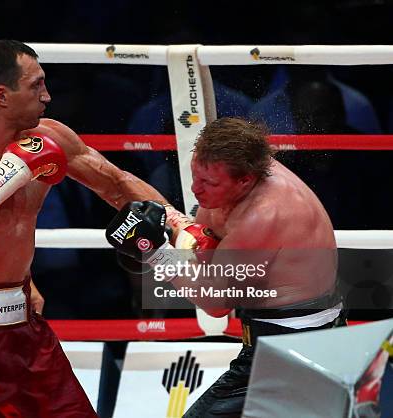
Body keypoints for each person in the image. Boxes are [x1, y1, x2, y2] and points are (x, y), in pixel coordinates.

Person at [0, 39, 172, 417]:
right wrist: (9, 173)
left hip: (25, 332)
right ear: (2, 96)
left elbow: (116, 183)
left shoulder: (48, 137)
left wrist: (180, 224)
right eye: (36, 85)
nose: (47, 96)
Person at [106, 117, 344, 417]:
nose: (195, 190)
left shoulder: (262, 216)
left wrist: (155, 252)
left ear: (244, 179)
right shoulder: (238, 171)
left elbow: (215, 303)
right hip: (289, 336)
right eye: (195, 176)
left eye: (208, 183)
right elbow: (207, 244)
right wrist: (185, 235)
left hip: (292, 348)